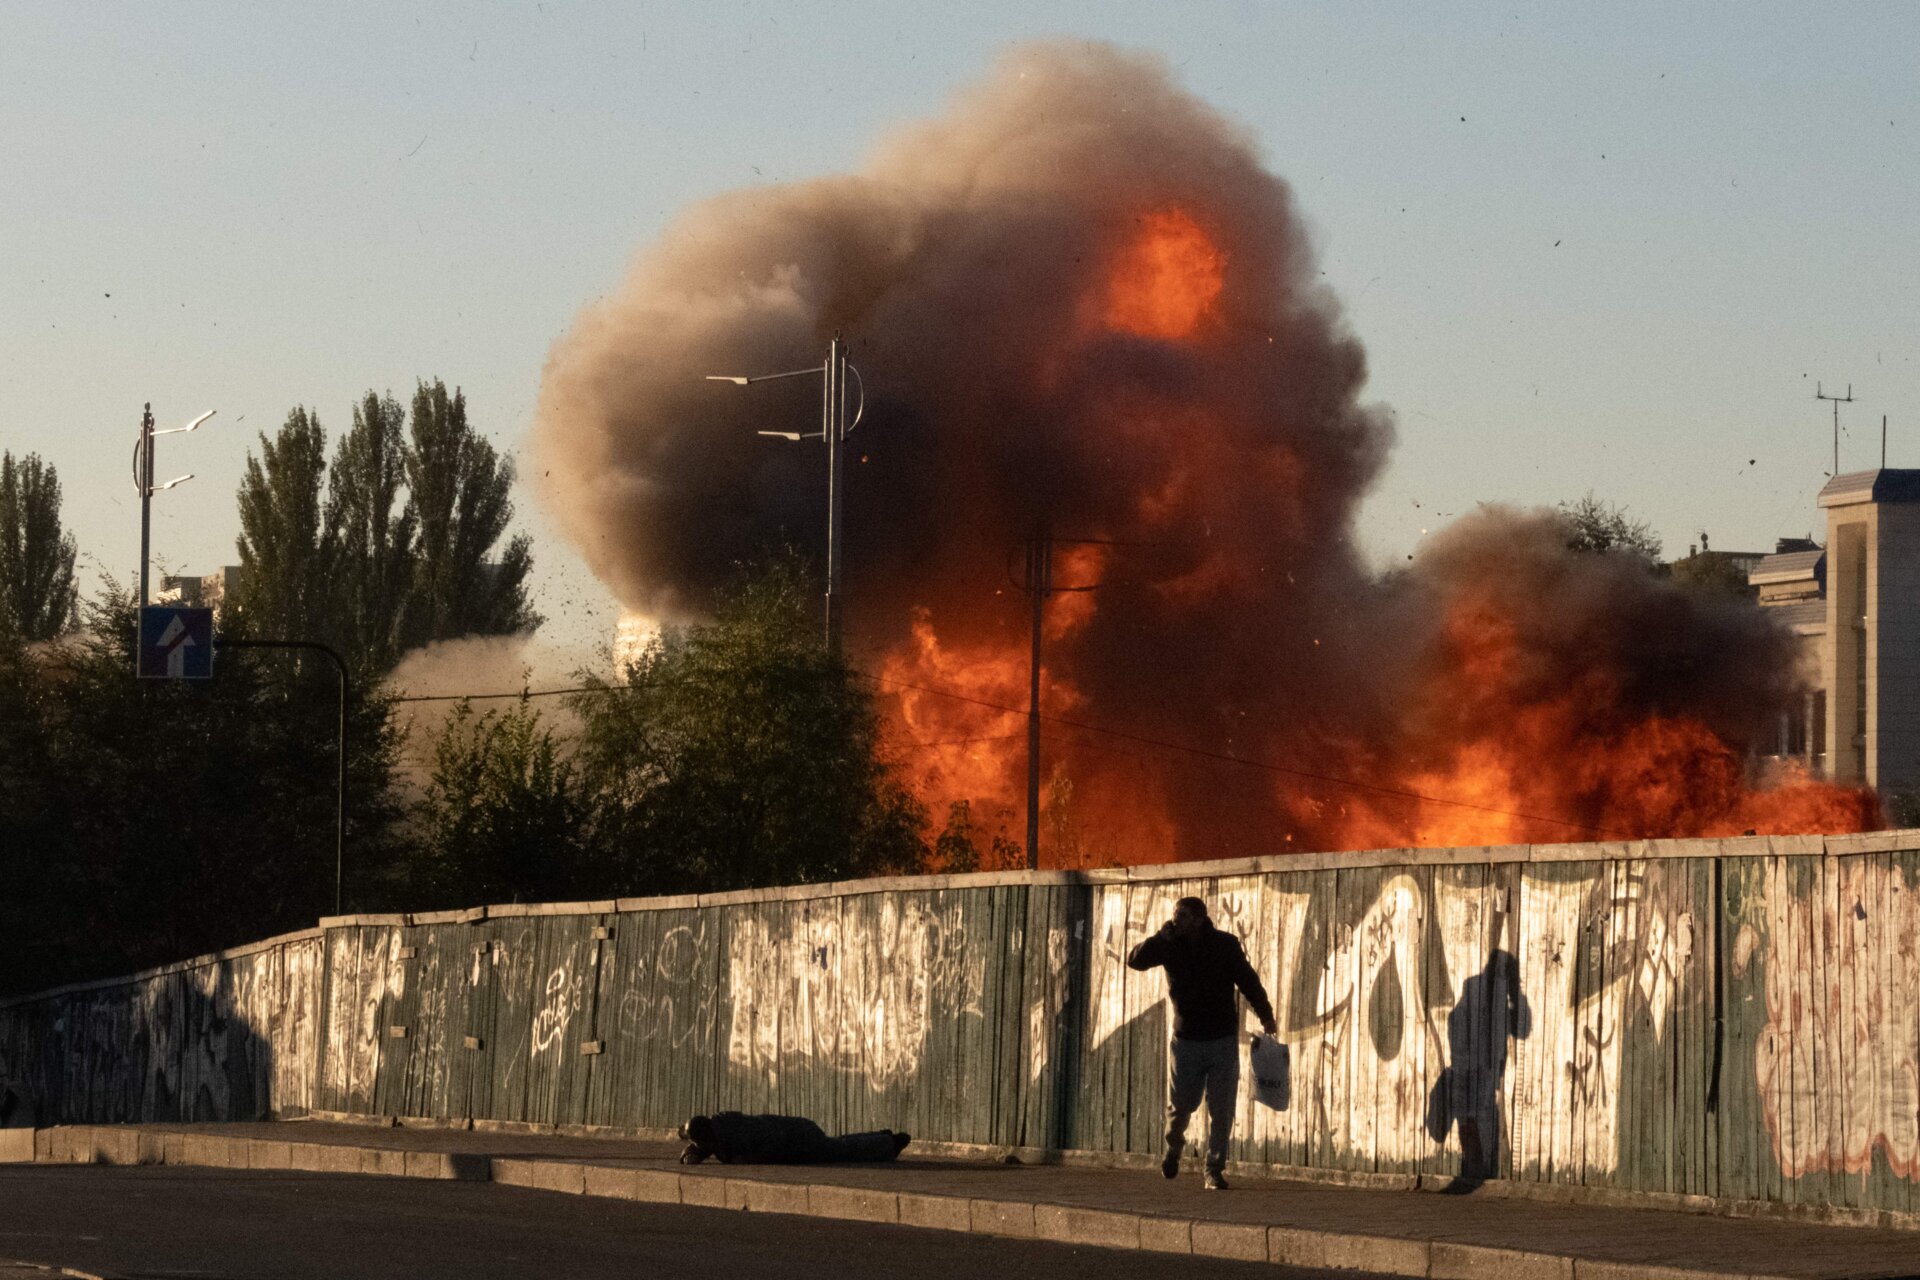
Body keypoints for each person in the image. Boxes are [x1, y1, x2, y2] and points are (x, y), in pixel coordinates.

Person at [1126, 896, 1277, 1190]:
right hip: (1185, 1042)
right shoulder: (1169, 945)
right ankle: (1174, 1147)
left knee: (1222, 1109)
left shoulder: (1224, 945)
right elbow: (1135, 960)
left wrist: (1266, 1016)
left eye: (1182, 916)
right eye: (1174, 915)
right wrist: (1159, 937)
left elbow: (1248, 981)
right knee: (1181, 1105)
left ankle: (1214, 1169)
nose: (1176, 921)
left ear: (1198, 919)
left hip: (1222, 1039)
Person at [677, 1112, 911, 1165]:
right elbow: (701, 1149)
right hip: (793, 1133)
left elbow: (762, 1154)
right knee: (838, 1145)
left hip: (797, 1137)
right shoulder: (719, 1129)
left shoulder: (736, 1134)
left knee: (839, 1150)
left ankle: (889, 1143)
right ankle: (883, 1138)